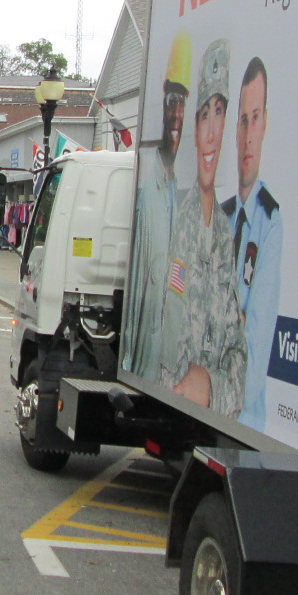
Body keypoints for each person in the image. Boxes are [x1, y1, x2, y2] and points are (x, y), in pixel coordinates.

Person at [164, 38, 247, 416]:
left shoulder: (226, 231)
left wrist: (212, 387)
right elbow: (170, 347)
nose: (211, 132)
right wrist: (196, 382)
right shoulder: (179, 221)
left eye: (220, 113)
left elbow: (238, 354)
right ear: (196, 130)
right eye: (204, 115)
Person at [125, 32, 189, 382]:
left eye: (182, 103)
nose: (176, 113)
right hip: (144, 370)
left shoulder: (178, 197)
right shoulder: (147, 195)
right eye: (170, 101)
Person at [221, 57, 281, 428]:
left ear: (265, 125)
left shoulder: (271, 223)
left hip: (245, 420)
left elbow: (255, 353)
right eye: (242, 119)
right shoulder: (222, 219)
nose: (247, 134)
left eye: (255, 118)